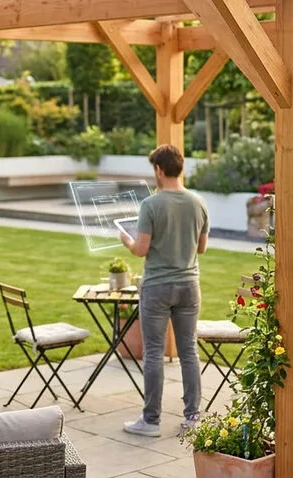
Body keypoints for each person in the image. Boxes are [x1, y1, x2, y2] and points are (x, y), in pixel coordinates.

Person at [117, 144, 208, 437]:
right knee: (189, 350)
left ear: (158, 170)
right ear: (180, 167)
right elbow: (202, 248)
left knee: (154, 352)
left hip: (157, 287)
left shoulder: (151, 205)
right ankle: (193, 417)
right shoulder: (198, 202)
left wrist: (126, 240)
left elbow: (141, 249)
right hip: (189, 286)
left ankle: (151, 421)